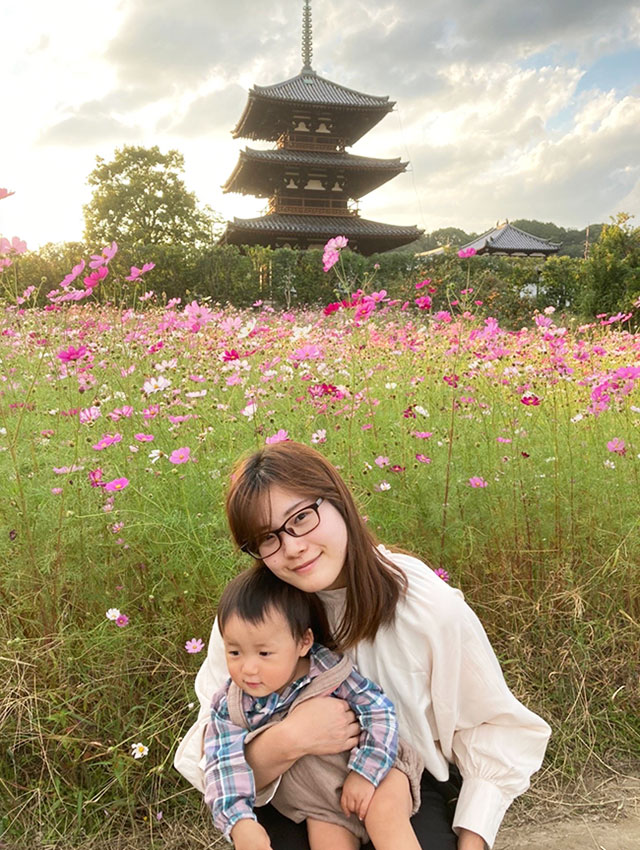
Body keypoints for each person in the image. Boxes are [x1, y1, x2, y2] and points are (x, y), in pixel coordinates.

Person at [175, 441, 551, 850]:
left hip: (398, 784)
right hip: (289, 790)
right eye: (267, 538)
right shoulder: (252, 620)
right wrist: (291, 738)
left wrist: (473, 841)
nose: (293, 547)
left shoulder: (424, 606)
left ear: (338, 500)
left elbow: (492, 726)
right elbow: (213, 747)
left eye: (301, 517)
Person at [205, 566, 423, 850]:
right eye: (234, 652)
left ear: (303, 642)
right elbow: (222, 767)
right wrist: (239, 821)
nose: (248, 668)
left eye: (264, 653)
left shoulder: (327, 672)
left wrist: (365, 773)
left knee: (384, 816)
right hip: (320, 806)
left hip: (379, 773)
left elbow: (379, 712)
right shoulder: (232, 706)